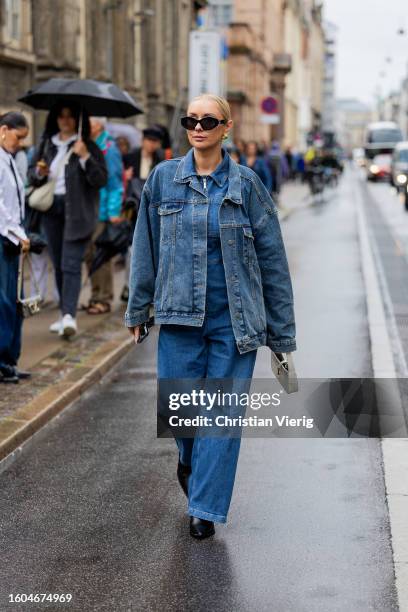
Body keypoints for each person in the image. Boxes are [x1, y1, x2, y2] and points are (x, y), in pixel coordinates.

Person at [125, 94, 296, 539]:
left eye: (208, 120)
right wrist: (138, 307)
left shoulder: (247, 185)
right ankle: (189, 459)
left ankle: (204, 509)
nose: (197, 127)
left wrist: (281, 337)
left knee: (221, 417)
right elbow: (144, 247)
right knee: (183, 417)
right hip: (179, 318)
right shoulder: (163, 180)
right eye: (190, 120)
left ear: (226, 127)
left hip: (234, 324)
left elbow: (272, 260)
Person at [28, 102, 107, 338]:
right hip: (51, 208)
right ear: (55, 119)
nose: (65, 121)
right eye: (61, 116)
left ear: (77, 120)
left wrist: (85, 158)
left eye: (70, 117)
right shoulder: (45, 145)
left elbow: (100, 179)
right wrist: (38, 173)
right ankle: (64, 313)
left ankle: (69, 316)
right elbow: (31, 176)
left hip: (78, 212)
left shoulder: (88, 146)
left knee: (71, 263)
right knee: (59, 263)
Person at [0, 112, 31, 384]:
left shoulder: (9, 159)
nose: (19, 143)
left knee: (16, 302)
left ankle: (10, 359)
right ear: (4, 129)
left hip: (13, 238)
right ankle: (1, 361)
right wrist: (15, 232)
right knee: (4, 301)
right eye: (17, 137)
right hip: (4, 238)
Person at [84, 117, 124, 315]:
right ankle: (95, 295)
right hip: (88, 207)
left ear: (99, 125)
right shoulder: (89, 145)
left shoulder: (109, 148)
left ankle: (103, 298)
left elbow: (115, 183)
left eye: (89, 122)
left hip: (102, 209)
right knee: (90, 255)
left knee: (101, 255)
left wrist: (113, 212)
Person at [120, 127, 164, 302]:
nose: (151, 145)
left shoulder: (161, 159)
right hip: (132, 209)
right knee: (132, 249)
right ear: (143, 140)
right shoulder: (130, 156)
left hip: (151, 207)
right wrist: (125, 177)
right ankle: (129, 286)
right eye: (149, 141)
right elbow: (118, 179)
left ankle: (148, 288)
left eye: (155, 142)